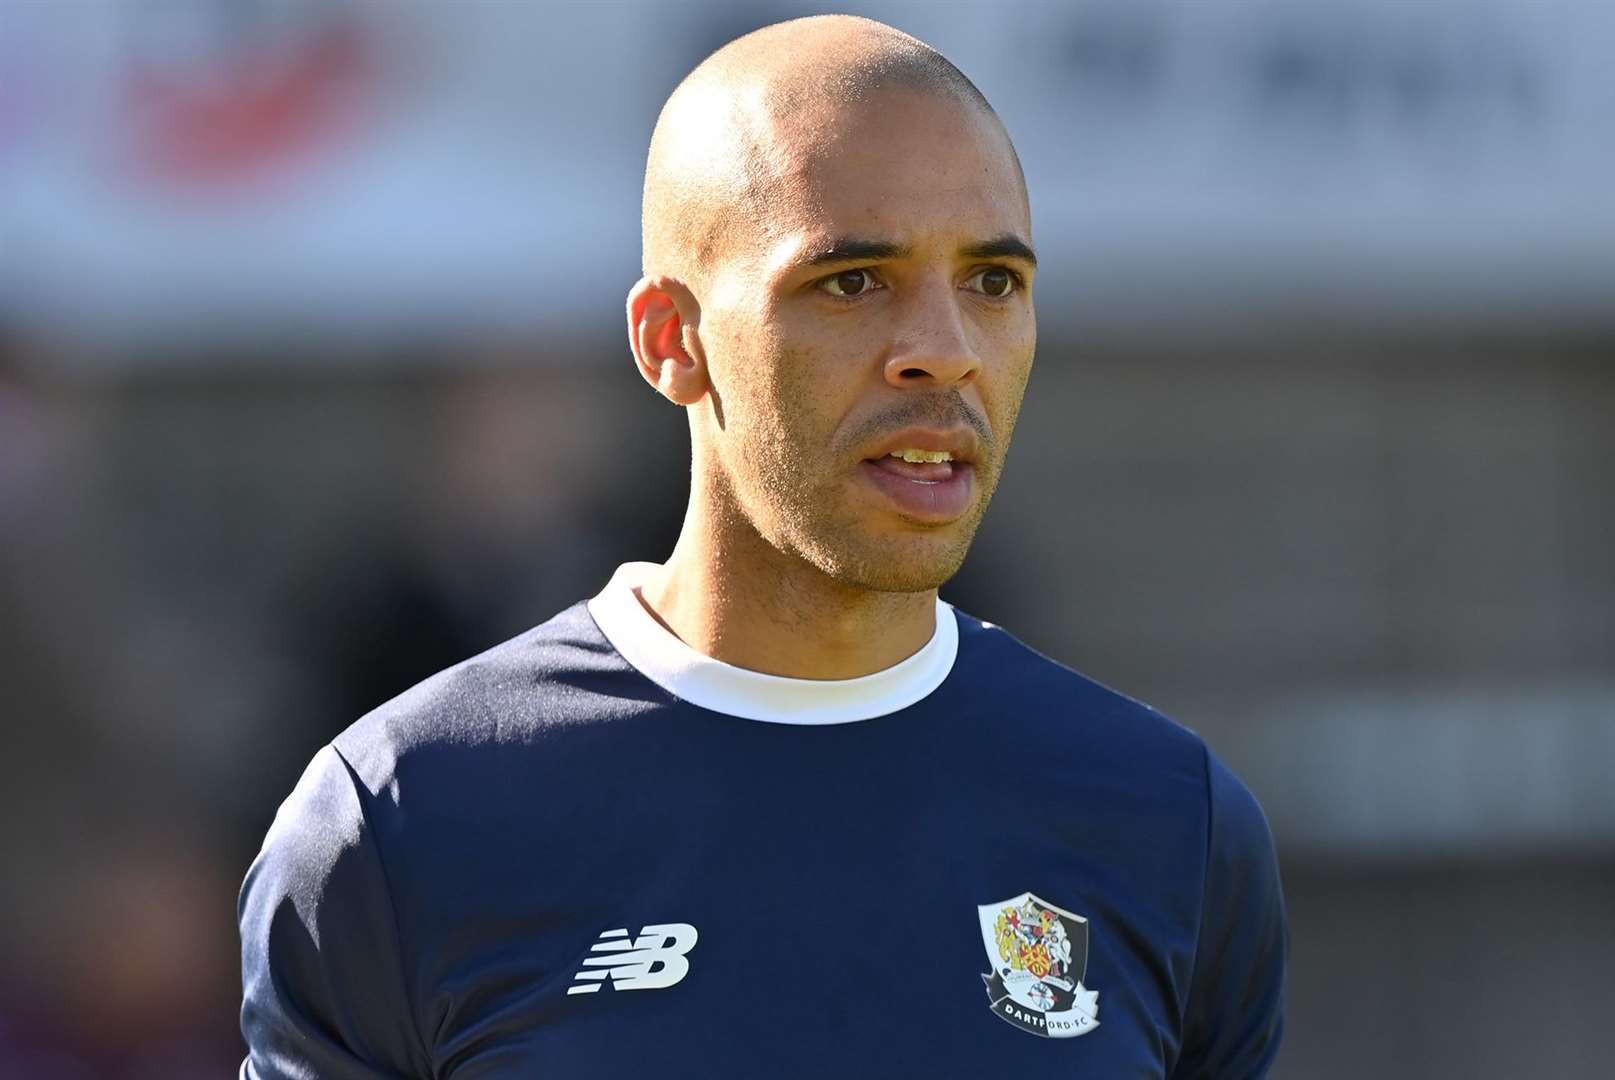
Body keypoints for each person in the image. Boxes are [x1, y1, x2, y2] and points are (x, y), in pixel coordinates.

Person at [239, 15, 1286, 1078]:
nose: (943, 353)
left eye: (991, 282)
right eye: (852, 282)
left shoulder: (1171, 825)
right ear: (671, 340)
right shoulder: (400, 823)